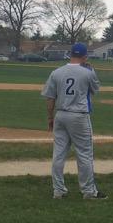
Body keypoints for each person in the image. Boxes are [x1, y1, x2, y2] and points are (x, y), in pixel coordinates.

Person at [41, 43, 106, 200]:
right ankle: (89, 191)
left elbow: (50, 98)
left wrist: (50, 117)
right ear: (85, 57)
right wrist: (91, 69)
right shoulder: (87, 73)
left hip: (61, 115)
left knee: (58, 154)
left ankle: (58, 190)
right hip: (79, 115)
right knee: (84, 154)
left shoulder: (56, 72)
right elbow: (96, 90)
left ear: (70, 55)